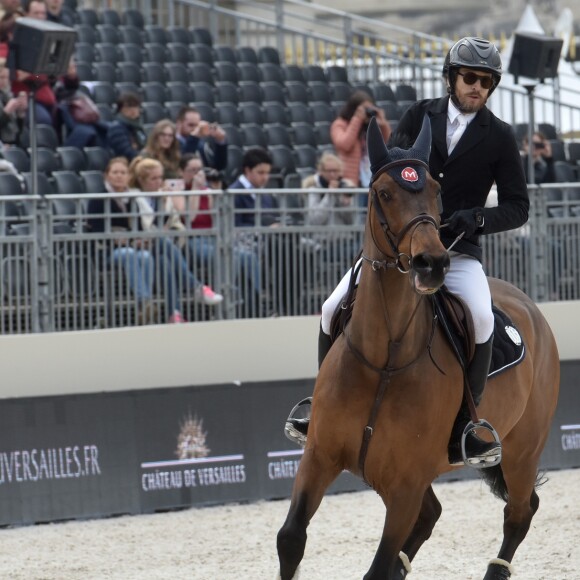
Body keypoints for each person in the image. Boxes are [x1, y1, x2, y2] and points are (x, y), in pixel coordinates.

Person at [286, 37, 530, 468]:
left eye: (487, 82)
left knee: (481, 316)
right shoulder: (420, 115)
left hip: (457, 253)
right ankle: (322, 407)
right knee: (329, 308)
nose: (478, 87)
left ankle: (466, 426)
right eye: (470, 78)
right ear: (452, 78)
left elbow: (518, 207)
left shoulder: (500, 137)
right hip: (400, 251)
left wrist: (477, 218)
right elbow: (391, 169)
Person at [128, 156, 223, 323]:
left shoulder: (162, 196)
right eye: (153, 178)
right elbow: (139, 227)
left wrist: (165, 207)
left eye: (160, 177)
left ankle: (174, 313)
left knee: (166, 262)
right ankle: (196, 287)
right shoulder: (134, 198)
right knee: (162, 242)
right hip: (140, 246)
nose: (159, 182)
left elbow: (175, 223)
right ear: (141, 180)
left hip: (160, 247)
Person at [179, 153, 262, 312]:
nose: (197, 174)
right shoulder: (180, 192)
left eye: (200, 170)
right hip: (192, 240)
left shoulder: (207, 191)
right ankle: (228, 304)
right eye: (192, 170)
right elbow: (190, 218)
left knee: (247, 256)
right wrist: (196, 189)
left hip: (212, 238)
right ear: (182, 172)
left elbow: (218, 219)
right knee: (226, 256)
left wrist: (216, 193)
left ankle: (254, 305)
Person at [87, 157, 157, 325]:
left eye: (123, 173)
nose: (119, 176)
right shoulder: (98, 199)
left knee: (146, 257)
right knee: (129, 253)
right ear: (107, 176)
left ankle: (144, 308)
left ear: (128, 176)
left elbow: (139, 227)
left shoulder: (132, 200)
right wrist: (116, 240)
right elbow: (95, 229)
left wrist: (139, 240)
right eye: (115, 172)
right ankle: (144, 302)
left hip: (129, 247)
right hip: (106, 250)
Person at [330, 90, 391, 188]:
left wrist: (383, 124)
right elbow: (345, 145)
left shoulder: (369, 127)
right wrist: (357, 119)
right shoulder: (339, 124)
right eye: (364, 109)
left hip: (372, 180)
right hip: (351, 182)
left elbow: (389, 145)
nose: (367, 112)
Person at [303, 152, 356, 226]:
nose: (332, 174)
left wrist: (345, 204)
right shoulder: (314, 188)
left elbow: (351, 221)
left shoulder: (345, 187)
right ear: (321, 171)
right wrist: (329, 194)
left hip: (344, 235)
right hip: (320, 236)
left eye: (335, 171)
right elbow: (315, 220)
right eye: (329, 171)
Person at [174, 105, 228, 171]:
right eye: (191, 125)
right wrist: (194, 137)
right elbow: (185, 163)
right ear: (179, 123)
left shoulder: (200, 143)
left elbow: (218, 166)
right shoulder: (172, 141)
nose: (195, 128)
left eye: (197, 125)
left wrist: (220, 141)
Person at [106, 92, 147, 162]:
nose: (133, 110)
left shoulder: (138, 128)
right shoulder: (117, 129)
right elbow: (127, 153)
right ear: (120, 109)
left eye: (135, 106)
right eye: (128, 107)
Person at [0, 61, 26, 145]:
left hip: (12, 144)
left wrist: (20, 113)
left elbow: (18, 131)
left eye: (6, 78)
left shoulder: (6, 95)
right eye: (1, 77)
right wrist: (6, 112)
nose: (4, 81)